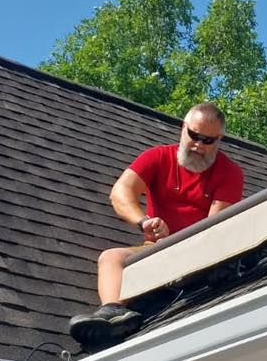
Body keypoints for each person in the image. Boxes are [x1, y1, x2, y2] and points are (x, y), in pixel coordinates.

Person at [69, 102, 245, 344]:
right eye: (194, 135)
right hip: (157, 250)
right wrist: (145, 223)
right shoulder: (157, 158)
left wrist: (175, 242)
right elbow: (120, 193)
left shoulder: (230, 173)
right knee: (111, 257)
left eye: (208, 140)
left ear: (220, 139)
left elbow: (212, 228)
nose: (199, 145)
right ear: (183, 128)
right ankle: (112, 313)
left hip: (201, 254)